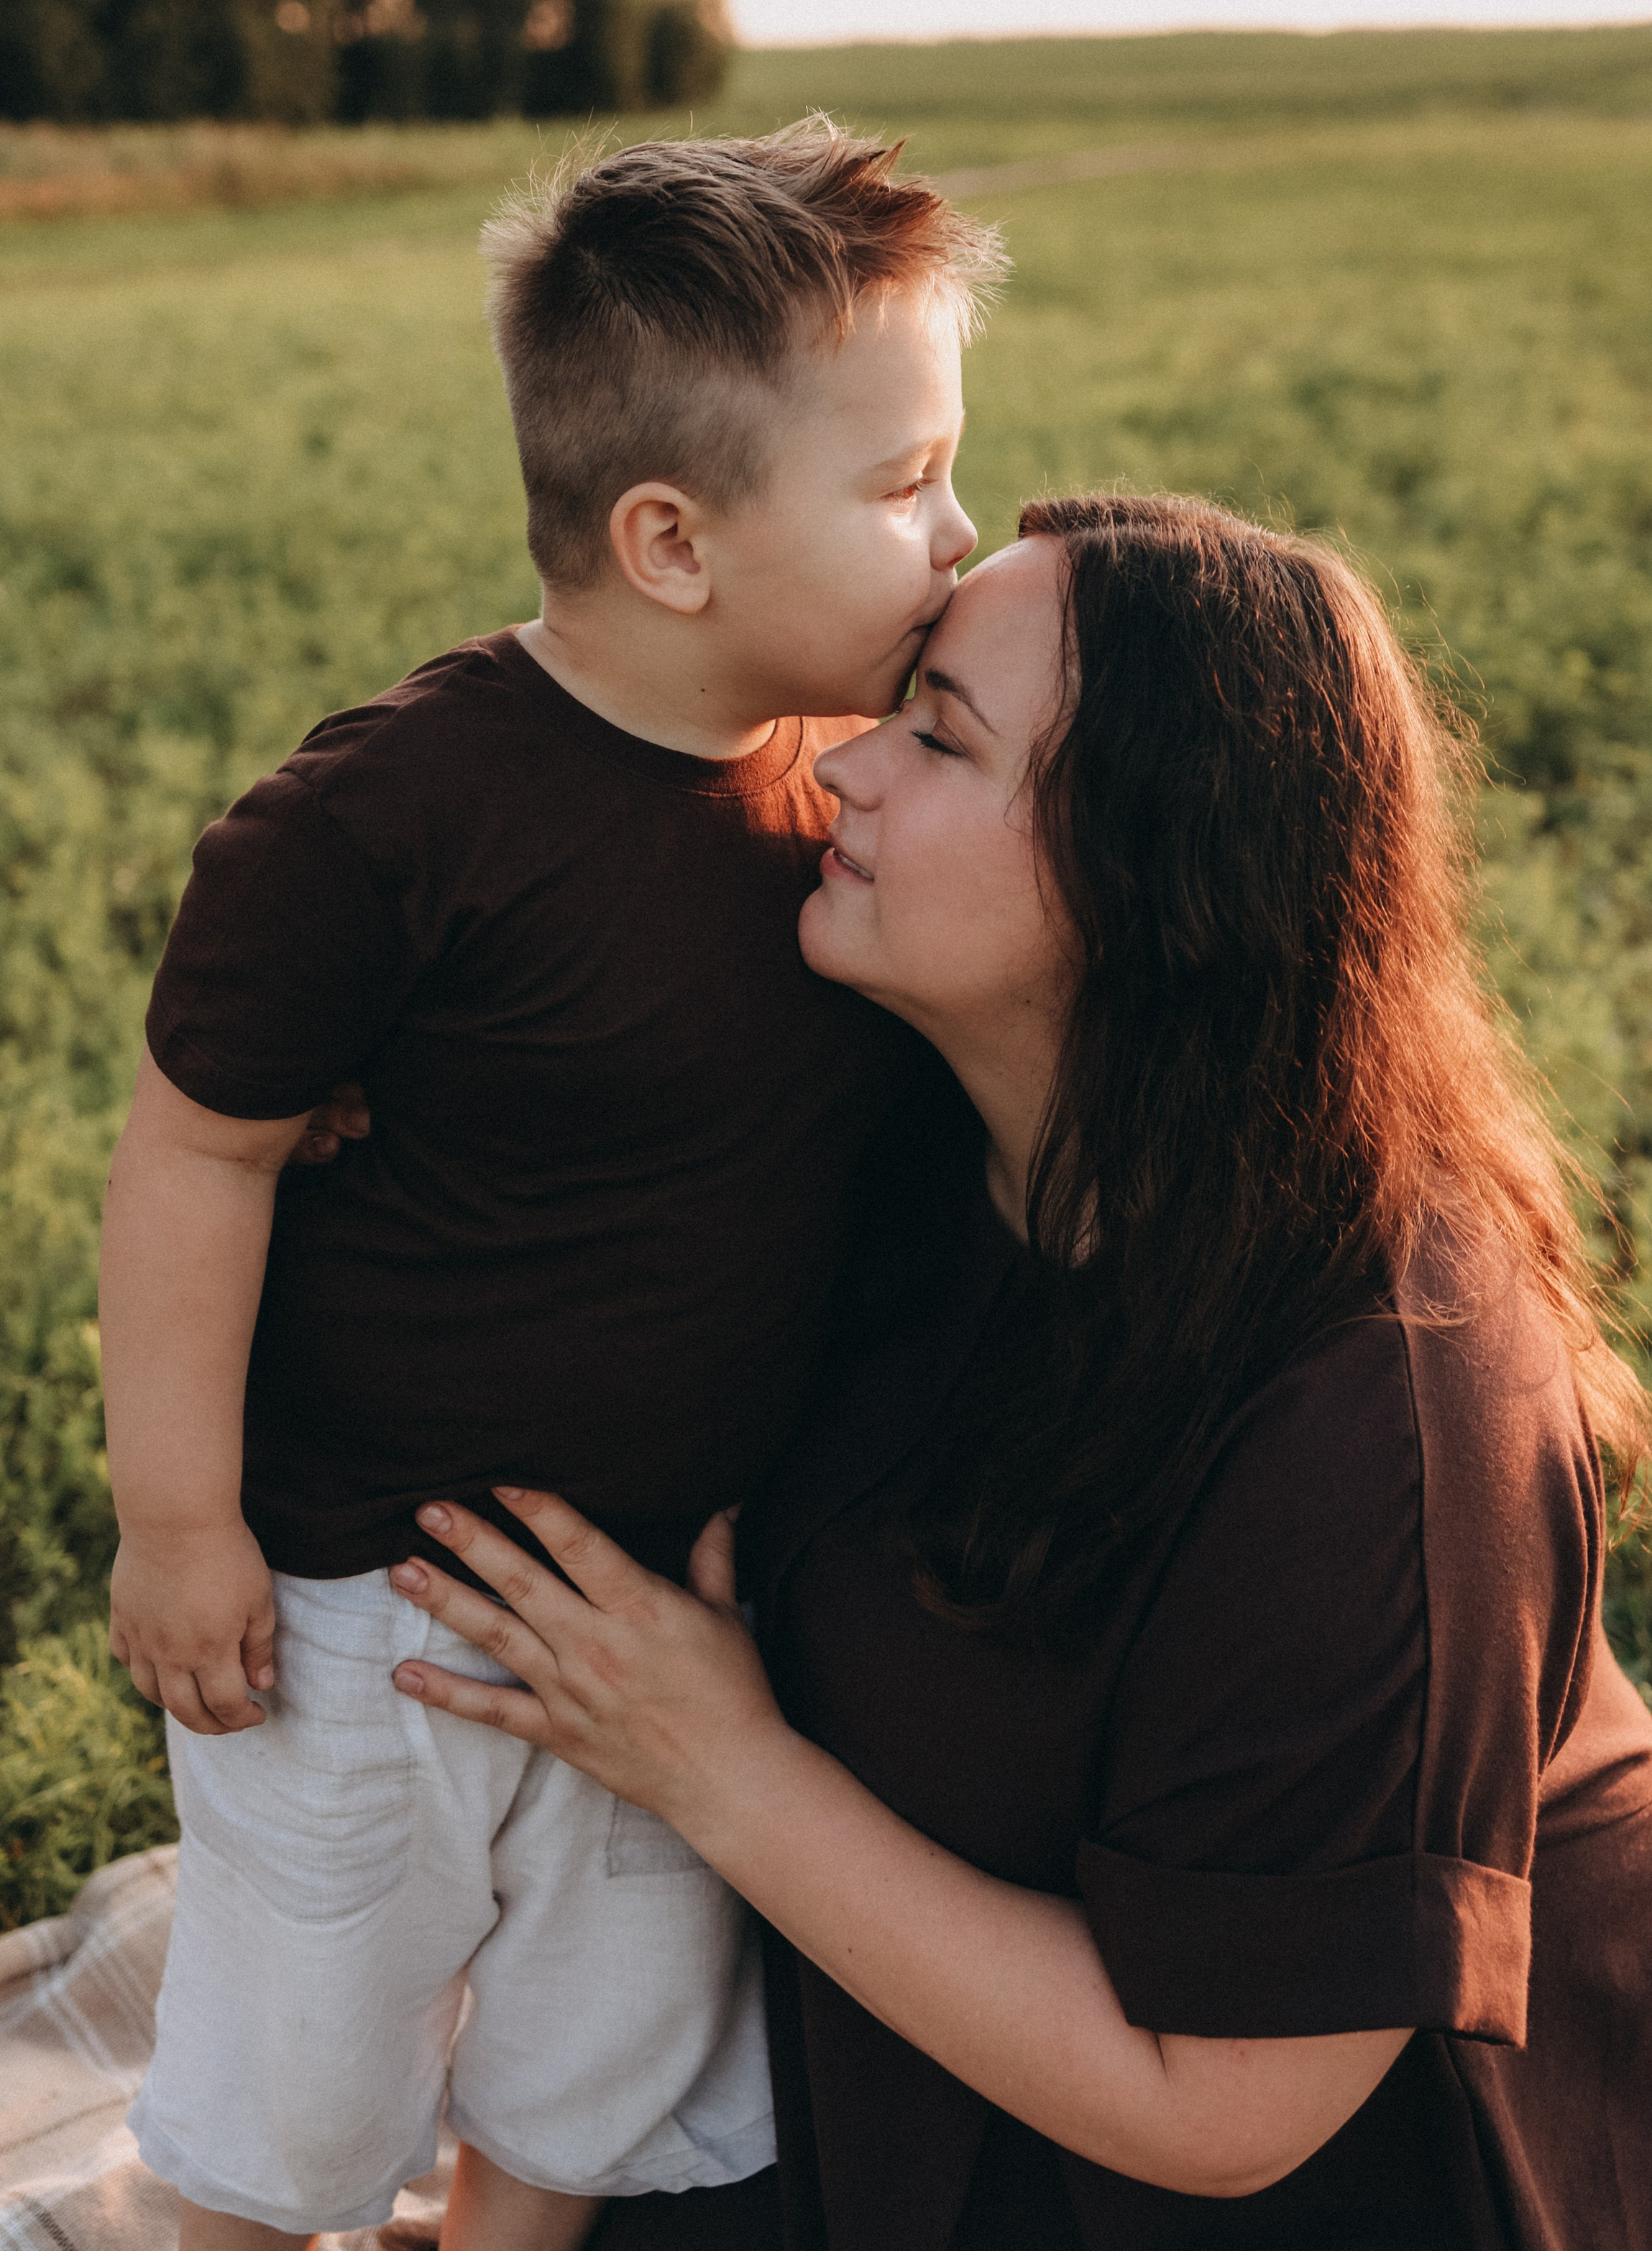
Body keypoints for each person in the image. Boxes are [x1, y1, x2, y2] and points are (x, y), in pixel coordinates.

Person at [382, 495, 1652, 2250]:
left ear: (1147, 875)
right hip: (914, 2011)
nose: (839, 776)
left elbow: (1227, 2112)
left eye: (938, 738)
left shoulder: (1389, 1397)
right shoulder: (903, 1091)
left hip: (1325, 2161)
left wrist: (719, 1769)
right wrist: (344, 1093)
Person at [97, 122, 1004, 2251]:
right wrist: (179, 1519)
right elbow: (196, 1152)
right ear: (673, 541)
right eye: (902, 487)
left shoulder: (844, 810)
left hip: (668, 1613)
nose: (961, 532)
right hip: (355, 1598)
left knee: (598, 2068)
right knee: (299, 2076)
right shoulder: (385, 822)